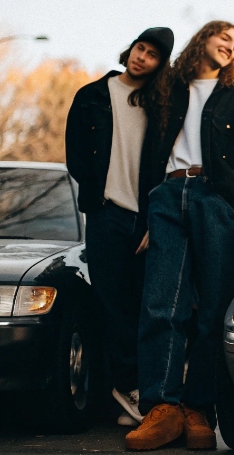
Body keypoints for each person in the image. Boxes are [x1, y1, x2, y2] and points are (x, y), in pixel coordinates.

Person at [125, 21, 234, 451]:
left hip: (213, 199)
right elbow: (143, 146)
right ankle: (161, 408)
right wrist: (147, 216)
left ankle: (198, 409)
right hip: (167, 195)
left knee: (212, 307)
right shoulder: (167, 88)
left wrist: (231, 201)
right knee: (161, 304)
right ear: (204, 39)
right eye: (224, 37)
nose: (231, 46)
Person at [65, 27, 174, 428]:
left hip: (142, 219)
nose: (141, 57)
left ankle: (136, 392)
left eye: (152, 55)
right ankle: (126, 386)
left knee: (143, 304)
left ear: (161, 65)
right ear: (131, 49)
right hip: (106, 213)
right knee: (111, 303)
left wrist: (151, 219)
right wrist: (98, 194)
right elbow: (76, 156)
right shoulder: (92, 95)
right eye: (140, 48)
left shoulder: (158, 105)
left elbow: (163, 164)